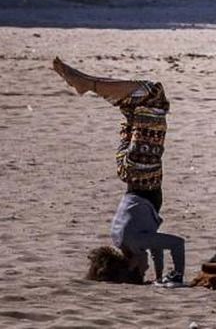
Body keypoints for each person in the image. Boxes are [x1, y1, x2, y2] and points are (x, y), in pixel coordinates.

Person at [53, 58, 185, 287]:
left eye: (143, 271)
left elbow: (176, 244)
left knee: (153, 95)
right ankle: (90, 85)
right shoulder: (121, 240)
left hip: (142, 172)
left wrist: (179, 277)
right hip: (127, 169)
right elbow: (155, 248)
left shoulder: (135, 241)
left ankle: (89, 84)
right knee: (133, 107)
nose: (146, 268)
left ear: (132, 265)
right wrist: (159, 276)